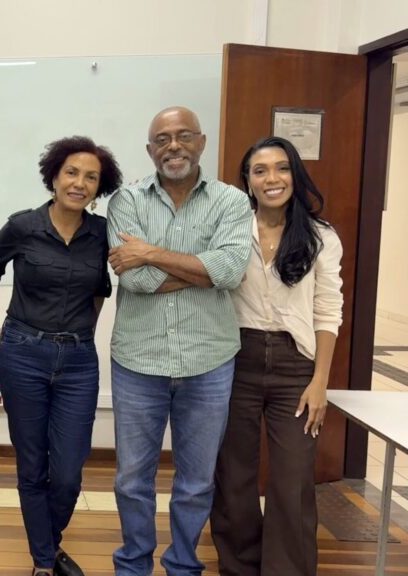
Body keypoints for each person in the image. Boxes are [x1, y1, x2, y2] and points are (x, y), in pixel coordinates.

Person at [106, 106, 253, 576]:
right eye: (163, 139)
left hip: (209, 362)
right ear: (150, 150)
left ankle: (183, 564)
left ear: (202, 142)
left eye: (184, 135)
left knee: (195, 482)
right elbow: (136, 283)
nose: (174, 145)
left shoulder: (231, 201)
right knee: (132, 480)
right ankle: (133, 563)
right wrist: (202, 269)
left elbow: (230, 271)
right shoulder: (125, 201)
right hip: (138, 361)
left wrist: (150, 252)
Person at [0, 136, 122, 576]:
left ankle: (49, 544)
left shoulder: (101, 233)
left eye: (91, 177)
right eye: (72, 173)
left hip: (78, 361)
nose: (79, 183)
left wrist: (82, 332)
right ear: (55, 177)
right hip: (23, 354)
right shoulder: (23, 225)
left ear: (99, 188)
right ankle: (44, 561)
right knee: (32, 464)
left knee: (67, 474)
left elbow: (100, 290)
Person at [210, 136, 343, 576]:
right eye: (260, 170)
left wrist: (319, 381)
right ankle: (240, 567)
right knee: (233, 476)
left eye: (281, 168)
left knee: (292, 480)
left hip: (296, 368)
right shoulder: (230, 231)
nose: (272, 178)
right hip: (235, 360)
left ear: (295, 175)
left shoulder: (321, 237)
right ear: (247, 182)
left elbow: (328, 311)